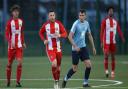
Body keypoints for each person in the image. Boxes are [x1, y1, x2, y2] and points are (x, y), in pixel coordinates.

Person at [62, 9, 96, 88]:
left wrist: (93, 47)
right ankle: (65, 79)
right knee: (74, 69)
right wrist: (75, 46)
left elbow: (89, 35)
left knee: (89, 65)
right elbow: (69, 36)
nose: (81, 17)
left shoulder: (87, 23)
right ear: (78, 16)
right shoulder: (76, 24)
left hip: (83, 47)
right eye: (80, 15)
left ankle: (85, 83)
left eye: (83, 15)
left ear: (85, 16)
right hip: (75, 49)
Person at [39, 10, 67, 89]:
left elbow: (65, 34)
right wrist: (44, 40)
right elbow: (40, 33)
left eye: (53, 15)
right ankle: (55, 82)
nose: (52, 17)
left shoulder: (59, 24)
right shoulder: (46, 25)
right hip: (50, 49)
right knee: (54, 64)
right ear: (48, 16)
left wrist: (60, 35)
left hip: (58, 49)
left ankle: (57, 81)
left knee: (58, 68)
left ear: (55, 16)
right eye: (50, 15)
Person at [100, 6, 125, 78]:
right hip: (106, 42)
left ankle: (113, 72)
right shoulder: (104, 21)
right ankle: (106, 70)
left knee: (113, 57)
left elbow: (119, 30)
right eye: (110, 11)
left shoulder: (115, 21)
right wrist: (101, 42)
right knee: (106, 55)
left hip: (113, 42)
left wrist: (122, 37)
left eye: (112, 11)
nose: (111, 12)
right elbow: (101, 32)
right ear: (108, 12)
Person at [5, 5, 26, 87]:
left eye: (17, 11)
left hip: (19, 46)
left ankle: (18, 82)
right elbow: (6, 35)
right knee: (9, 64)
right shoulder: (9, 22)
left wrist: (23, 42)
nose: (16, 12)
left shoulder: (21, 21)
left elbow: (22, 32)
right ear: (12, 13)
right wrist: (10, 42)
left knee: (20, 63)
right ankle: (8, 81)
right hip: (11, 47)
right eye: (14, 11)